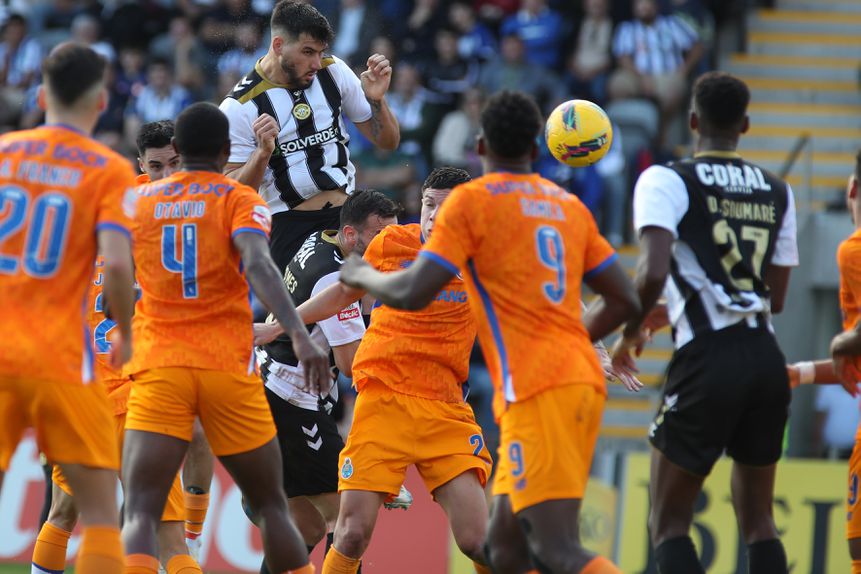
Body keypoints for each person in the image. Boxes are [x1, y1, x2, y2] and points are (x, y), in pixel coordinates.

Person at [337, 91, 639, 574]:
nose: (436, 212)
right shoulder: (565, 207)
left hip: (531, 388)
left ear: (479, 146)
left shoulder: (475, 207)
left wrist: (362, 278)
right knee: (499, 543)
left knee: (551, 546)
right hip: (573, 381)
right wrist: (596, 343)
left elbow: (415, 290)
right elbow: (625, 298)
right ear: (537, 151)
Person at [119, 102, 330, 574]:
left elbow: (117, 269)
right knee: (273, 506)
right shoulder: (240, 200)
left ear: (178, 150)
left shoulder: (139, 202)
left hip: (161, 365)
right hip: (227, 364)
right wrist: (297, 333)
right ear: (222, 150)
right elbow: (257, 264)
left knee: (141, 508)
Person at [258, 167, 491, 574]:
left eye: (447, 207)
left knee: (478, 541)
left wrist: (593, 342)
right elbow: (344, 291)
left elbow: (542, 291)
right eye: (429, 205)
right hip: (383, 402)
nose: (434, 215)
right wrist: (278, 325)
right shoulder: (392, 243)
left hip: (445, 408)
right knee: (349, 534)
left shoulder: (486, 258)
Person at [612, 71, 798, 574]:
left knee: (668, 524)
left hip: (707, 359)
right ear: (746, 125)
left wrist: (630, 333)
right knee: (760, 521)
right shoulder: (778, 190)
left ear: (693, 120)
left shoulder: (667, 179)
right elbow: (774, 297)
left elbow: (650, 271)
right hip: (766, 360)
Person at [30, 120, 202, 574]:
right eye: (157, 166)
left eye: (173, 163)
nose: (166, 174)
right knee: (166, 534)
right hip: (145, 399)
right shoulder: (183, 224)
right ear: (142, 165)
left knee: (63, 515)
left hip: (85, 399)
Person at [0, 42, 138, 574]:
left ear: (39, 95)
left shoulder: (8, 152)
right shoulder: (108, 169)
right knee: (101, 510)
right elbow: (119, 268)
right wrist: (125, 330)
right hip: (62, 359)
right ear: (102, 102)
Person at [253, 190, 398, 570]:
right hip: (291, 397)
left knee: (306, 527)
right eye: (380, 236)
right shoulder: (334, 278)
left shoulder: (319, 241)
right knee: (346, 519)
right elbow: (352, 365)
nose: (389, 245)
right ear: (351, 235)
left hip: (268, 382)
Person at [220, 0, 400, 273]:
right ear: (278, 45)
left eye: (320, 51)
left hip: (346, 215)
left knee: (369, 312)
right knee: (301, 316)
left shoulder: (333, 70)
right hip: (290, 226)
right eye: (307, 52)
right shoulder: (239, 106)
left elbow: (388, 142)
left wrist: (377, 101)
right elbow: (230, 192)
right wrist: (261, 154)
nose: (316, 62)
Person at [786, 150, 861, 574]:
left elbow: (855, 344)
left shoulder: (854, 250)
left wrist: (845, 337)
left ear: (852, 188)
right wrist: (803, 373)